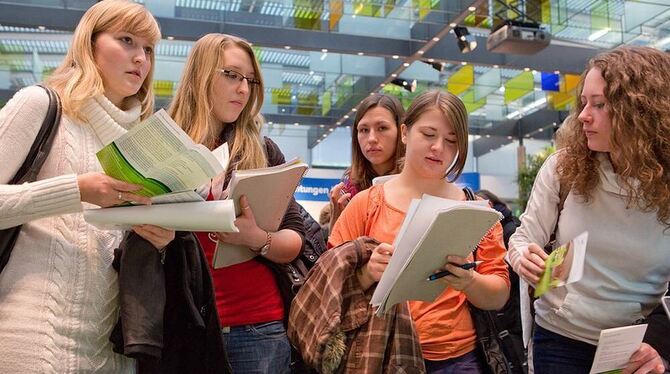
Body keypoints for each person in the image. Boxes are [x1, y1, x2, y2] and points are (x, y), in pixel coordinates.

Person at [0, 1, 173, 372]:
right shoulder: (42, 105)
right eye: (127, 40)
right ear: (89, 44)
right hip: (29, 338)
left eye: (148, 49)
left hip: (111, 350)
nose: (140, 58)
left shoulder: (140, 143)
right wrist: (75, 190)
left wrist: (157, 239)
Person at [507, 46, 670, 374]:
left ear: (639, 111)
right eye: (584, 103)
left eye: (599, 105)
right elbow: (522, 239)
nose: (583, 115)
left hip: (634, 347)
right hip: (560, 338)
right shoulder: (564, 168)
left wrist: (661, 346)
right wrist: (524, 257)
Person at [329, 90, 510, 372]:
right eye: (428, 134)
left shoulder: (476, 210)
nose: (438, 147)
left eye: (451, 140)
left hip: (458, 358)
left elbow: (499, 294)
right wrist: (366, 274)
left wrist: (469, 281)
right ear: (405, 133)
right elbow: (327, 282)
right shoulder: (366, 204)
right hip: (380, 354)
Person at [168, 33, 305, 374]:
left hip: (257, 327)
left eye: (250, 80)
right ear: (200, 75)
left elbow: (295, 242)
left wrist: (255, 237)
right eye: (231, 75)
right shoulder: (166, 145)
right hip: (184, 326)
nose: (243, 89)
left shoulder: (262, 151)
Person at [328, 93, 405, 228]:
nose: (371, 138)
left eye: (382, 128)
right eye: (364, 130)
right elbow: (337, 248)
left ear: (402, 131)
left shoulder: (417, 184)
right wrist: (337, 222)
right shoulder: (348, 191)